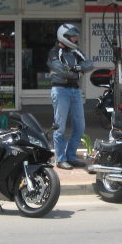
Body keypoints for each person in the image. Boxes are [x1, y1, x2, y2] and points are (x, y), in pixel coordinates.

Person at [47, 24, 94, 170]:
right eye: (73, 37)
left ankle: (71, 157)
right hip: (60, 91)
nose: (75, 39)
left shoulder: (75, 51)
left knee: (80, 127)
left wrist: (75, 69)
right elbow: (61, 71)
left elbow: (90, 64)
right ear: (64, 37)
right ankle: (61, 159)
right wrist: (77, 72)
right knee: (59, 127)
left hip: (75, 91)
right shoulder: (54, 52)